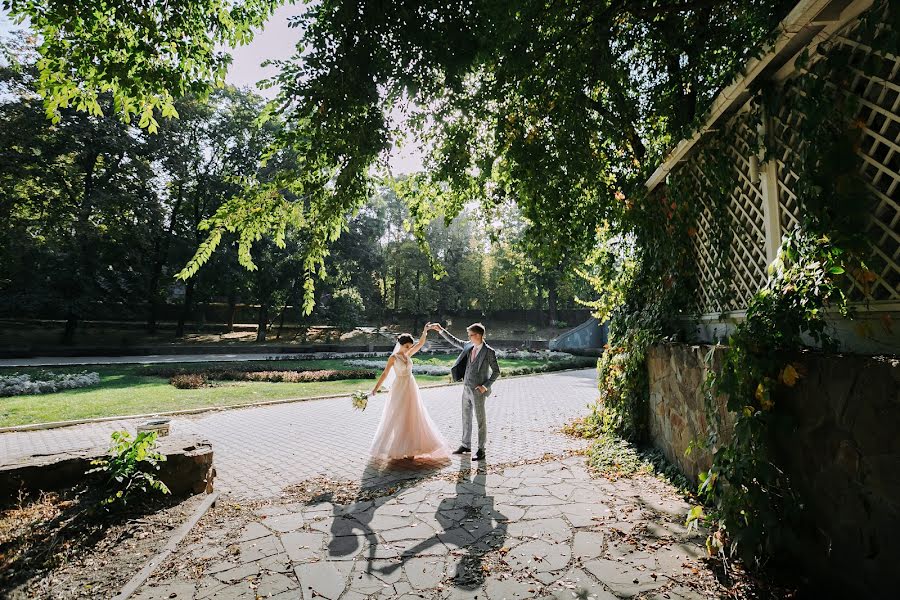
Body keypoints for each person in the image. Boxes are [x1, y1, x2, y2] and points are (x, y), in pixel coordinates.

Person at [368, 325, 450, 461]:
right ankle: (397, 448)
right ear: (400, 344)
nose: (408, 348)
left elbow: (421, 343)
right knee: (398, 416)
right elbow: (384, 374)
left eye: (410, 346)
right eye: (406, 346)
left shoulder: (408, 354)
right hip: (399, 388)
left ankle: (412, 448)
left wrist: (425, 331)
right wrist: (375, 389)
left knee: (413, 415)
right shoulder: (394, 358)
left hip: (411, 386)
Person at [436, 322, 500, 461]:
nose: (469, 338)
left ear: (478, 335)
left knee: (480, 420)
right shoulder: (468, 346)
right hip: (466, 389)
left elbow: (496, 372)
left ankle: (481, 450)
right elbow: (454, 341)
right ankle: (466, 445)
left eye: (471, 335)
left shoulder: (489, 352)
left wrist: (485, 386)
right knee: (466, 418)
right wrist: (441, 330)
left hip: (478, 391)